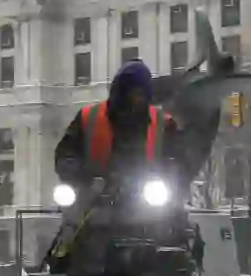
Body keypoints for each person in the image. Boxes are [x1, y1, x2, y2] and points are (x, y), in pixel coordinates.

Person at [54, 60, 182, 188]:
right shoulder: (88, 118)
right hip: (95, 195)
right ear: (120, 92)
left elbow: (176, 161)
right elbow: (66, 153)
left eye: (141, 93)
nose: (137, 99)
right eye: (132, 92)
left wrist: (167, 178)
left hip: (147, 198)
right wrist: (77, 173)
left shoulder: (163, 123)